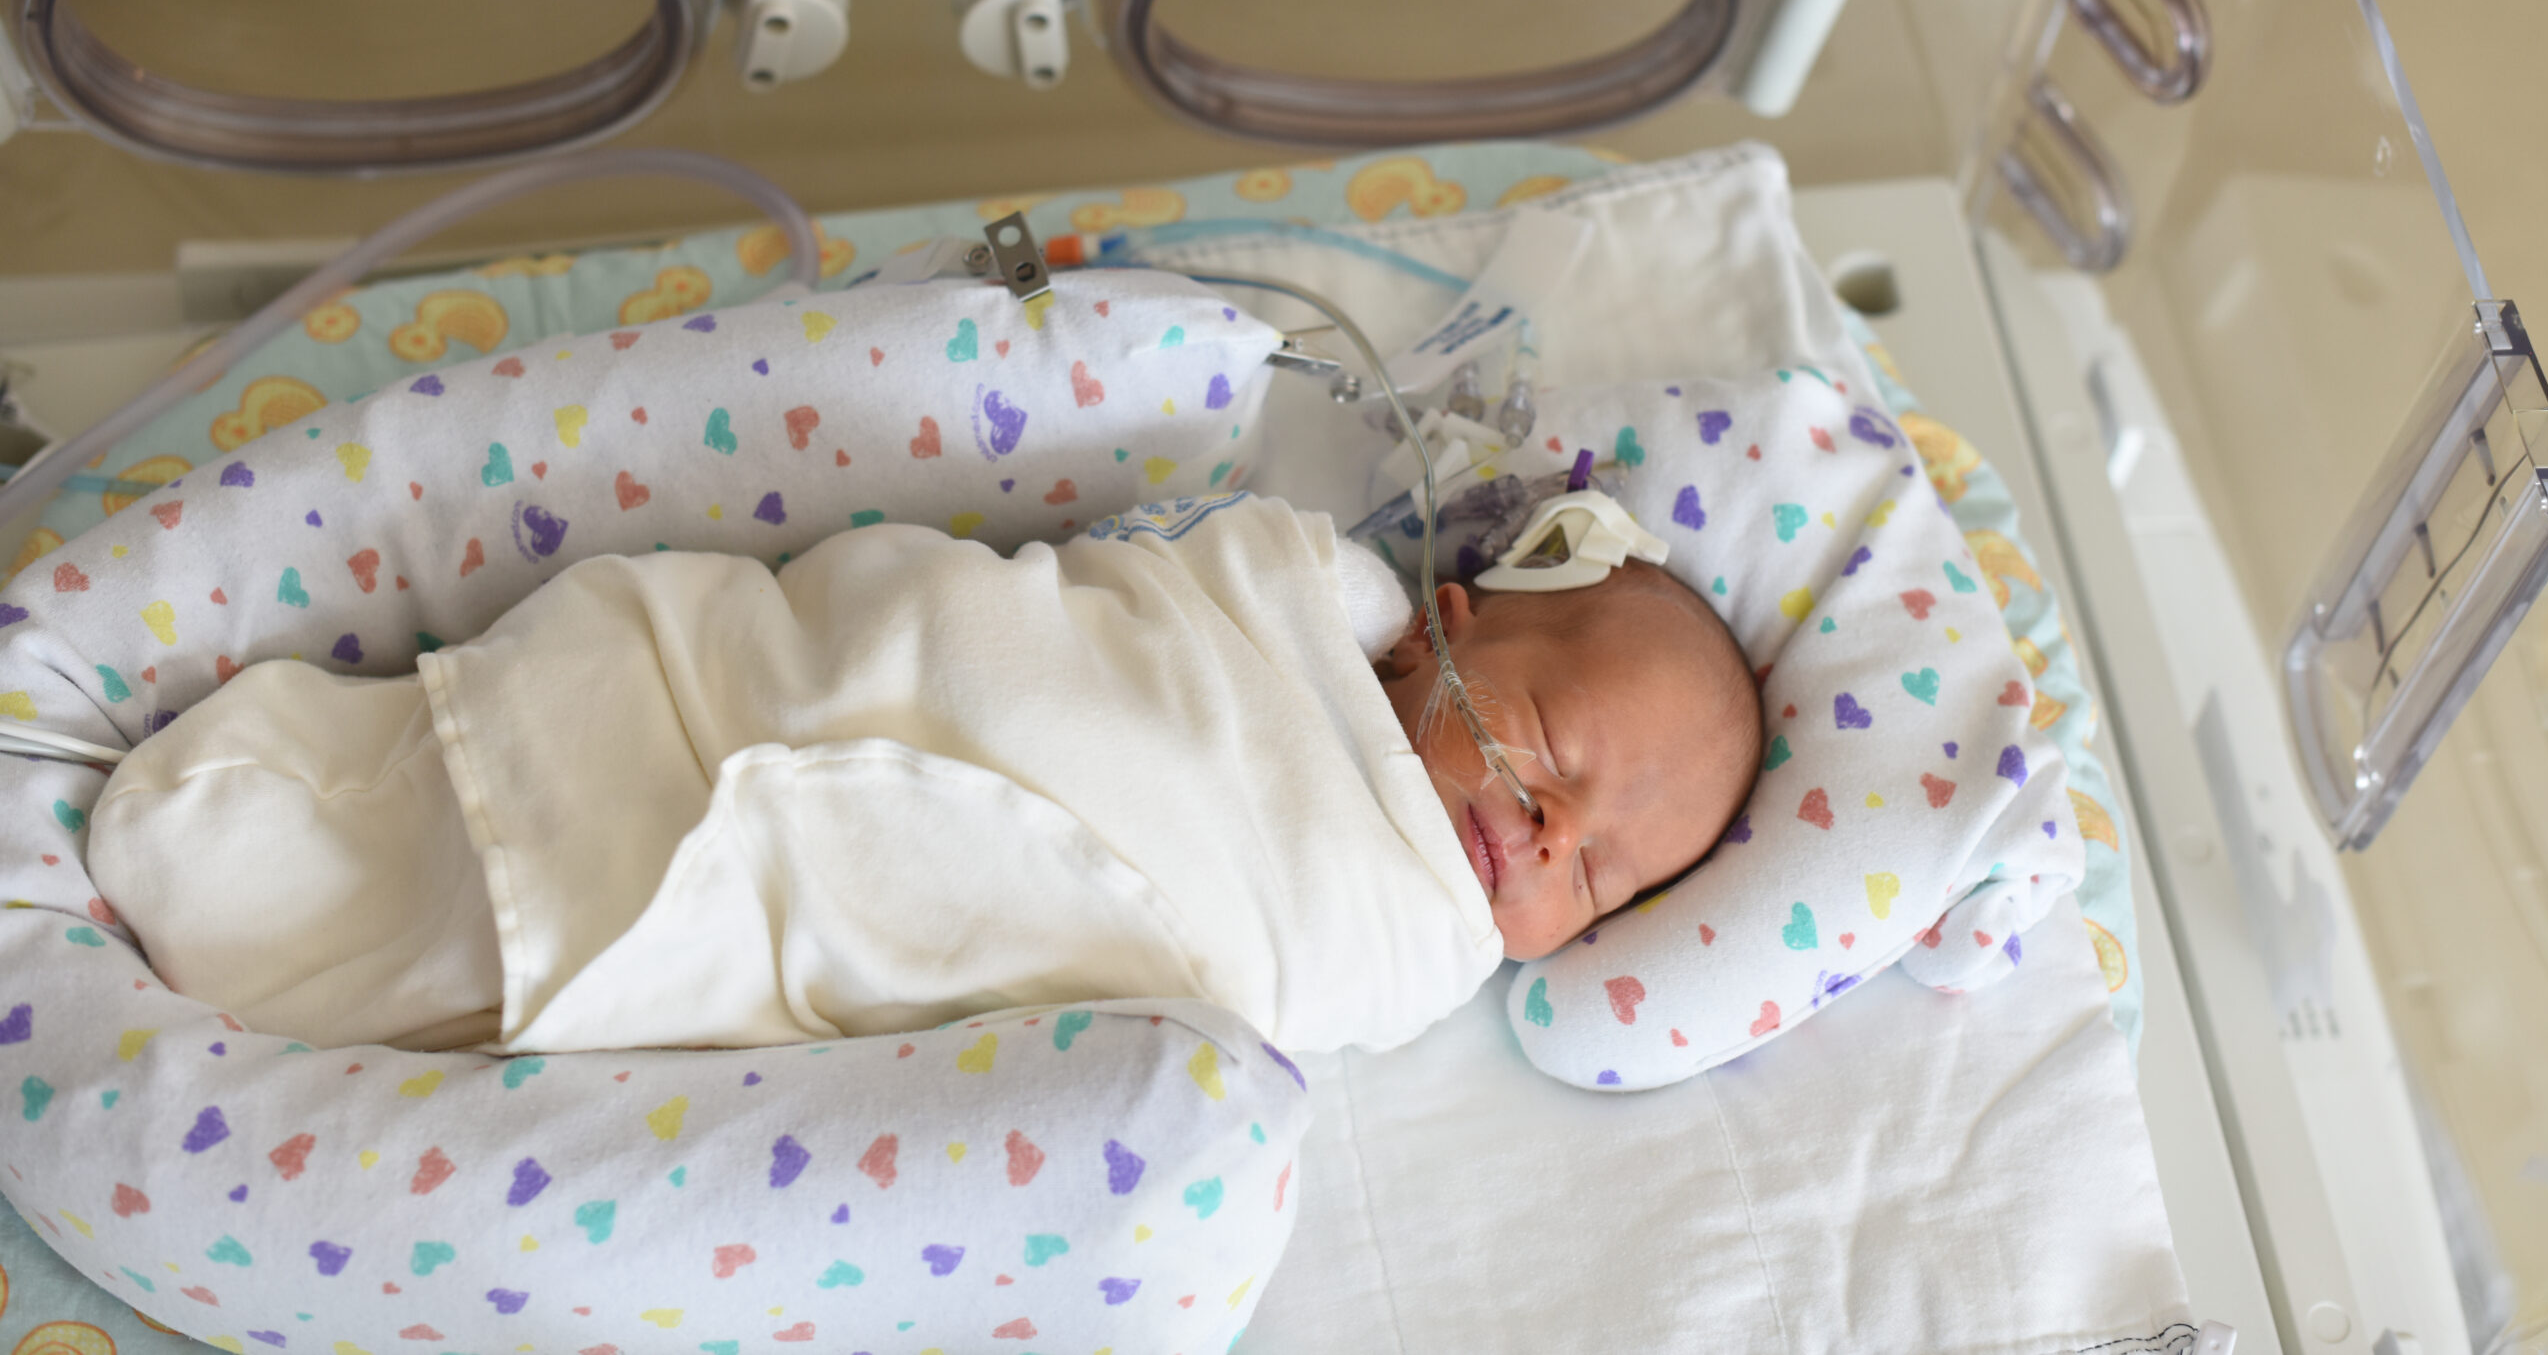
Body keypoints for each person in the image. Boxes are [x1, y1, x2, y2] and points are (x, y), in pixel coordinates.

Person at [87, 491, 1761, 1059]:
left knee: (508, 929)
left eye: (1604, 872)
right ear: (1453, 625)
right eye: (1558, 748)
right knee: (559, 761)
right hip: (819, 682)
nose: (1553, 830)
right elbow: (1098, 615)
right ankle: (329, 814)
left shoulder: (1414, 949)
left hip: (888, 907)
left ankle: (312, 928)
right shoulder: (1294, 598)